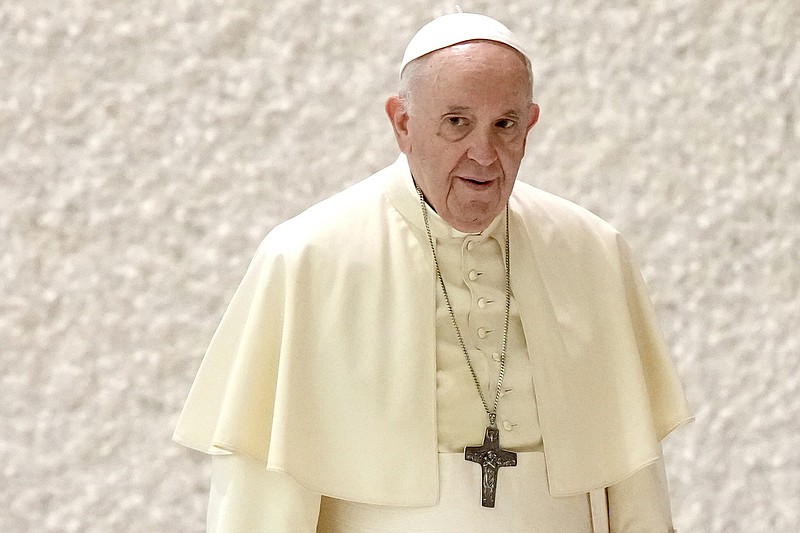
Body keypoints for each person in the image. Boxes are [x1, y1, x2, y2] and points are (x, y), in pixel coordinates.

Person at [174, 12, 691, 532]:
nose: (484, 155)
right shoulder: (310, 257)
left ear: (530, 122)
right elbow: (262, 496)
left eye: (504, 125)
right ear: (402, 123)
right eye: (457, 123)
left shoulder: (591, 252)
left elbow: (635, 480)